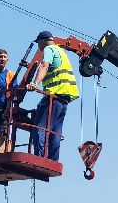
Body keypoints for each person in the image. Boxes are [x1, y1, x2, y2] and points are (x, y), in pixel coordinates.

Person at [25, 31, 78, 160]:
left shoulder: (49, 49)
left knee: (39, 128)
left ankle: (39, 158)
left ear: (42, 41)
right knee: (55, 132)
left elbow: (44, 66)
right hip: (63, 100)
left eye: (38, 43)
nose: (39, 46)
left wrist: (34, 83)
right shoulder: (61, 52)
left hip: (53, 96)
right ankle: (53, 161)